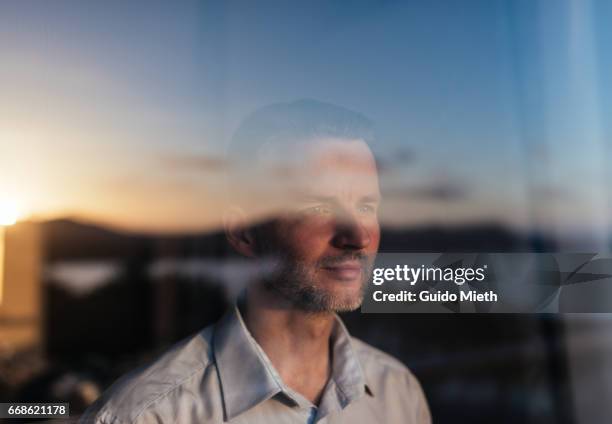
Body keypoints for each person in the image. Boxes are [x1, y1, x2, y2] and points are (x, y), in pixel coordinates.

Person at [80, 99, 431, 423]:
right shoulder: (146, 416)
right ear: (244, 232)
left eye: (367, 206)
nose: (359, 237)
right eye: (320, 207)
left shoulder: (398, 395)